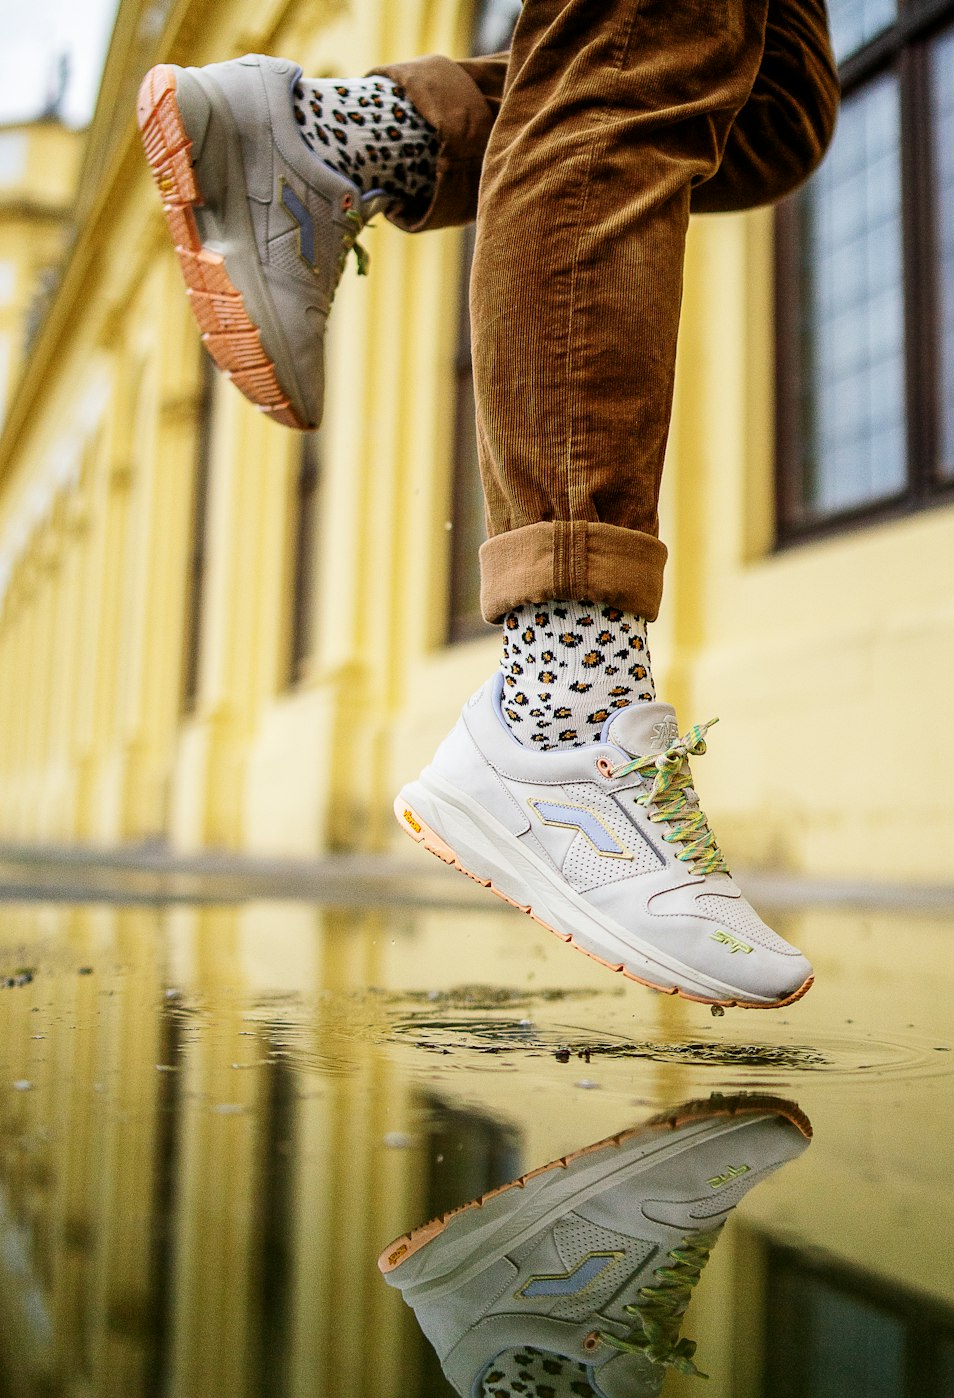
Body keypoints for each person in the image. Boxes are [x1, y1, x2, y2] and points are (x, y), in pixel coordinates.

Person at [138, 0, 839, 1010]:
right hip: (564, 689)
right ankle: (565, 701)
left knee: (771, 111)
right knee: (639, 52)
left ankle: (328, 145)